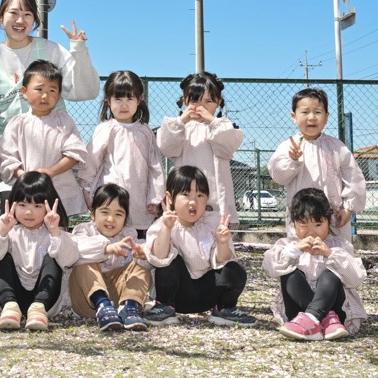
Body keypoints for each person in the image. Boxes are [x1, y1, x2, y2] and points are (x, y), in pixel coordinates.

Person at [0, 0, 99, 135]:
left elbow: (86, 91)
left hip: (52, 138)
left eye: (27, 14)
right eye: (13, 13)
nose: (20, 20)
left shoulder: (52, 50)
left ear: (35, 20)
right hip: (3, 144)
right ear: (0, 18)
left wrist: (79, 51)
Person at [143, 165, 254, 327]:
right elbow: (158, 258)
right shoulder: (163, 224)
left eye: (200, 195)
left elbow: (222, 262)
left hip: (207, 294)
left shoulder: (213, 222)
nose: (193, 202)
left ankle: (224, 308)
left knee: (235, 270)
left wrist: (222, 243)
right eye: (186, 194)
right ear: (170, 197)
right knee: (169, 261)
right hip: (176, 295)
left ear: (207, 198)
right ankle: (164, 306)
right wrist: (166, 228)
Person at [0, 172, 79, 331]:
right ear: (13, 204)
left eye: (37, 206)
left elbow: (70, 260)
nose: (29, 212)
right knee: (2, 256)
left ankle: (38, 309)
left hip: (46, 302)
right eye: (22, 205)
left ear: (49, 206)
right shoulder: (9, 232)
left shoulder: (55, 234)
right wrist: (2, 231)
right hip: (10, 300)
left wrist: (55, 231)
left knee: (53, 257)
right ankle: (10, 308)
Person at [263, 187, 367, 340]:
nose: (311, 232)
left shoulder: (340, 246)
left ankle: (314, 318)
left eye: (318, 224)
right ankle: (320, 319)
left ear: (328, 221)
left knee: (330, 275)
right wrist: (293, 251)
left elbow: (356, 279)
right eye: (303, 225)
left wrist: (330, 254)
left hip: (337, 313)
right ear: (294, 223)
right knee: (289, 274)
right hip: (298, 314)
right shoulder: (286, 245)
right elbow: (269, 267)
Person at [268, 87, 366, 244]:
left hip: (333, 216)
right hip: (302, 216)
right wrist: (292, 160)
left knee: (335, 250)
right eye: (305, 112)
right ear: (294, 117)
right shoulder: (288, 146)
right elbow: (278, 176)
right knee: (302, 250)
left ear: (326, 117)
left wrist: (348, 207)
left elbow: (353, 177)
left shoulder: (337, 147)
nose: (312, 117)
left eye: (318, 112)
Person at [0, 60, 92, 216]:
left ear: (59, 94)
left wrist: (51, 172)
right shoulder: (17, 123)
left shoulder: (64, 121)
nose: (45, 95)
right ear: (24, 91)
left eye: (52, 90)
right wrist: (24, 176)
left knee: (57, 225)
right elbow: (6, 157)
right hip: (25, 191)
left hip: (59, 190)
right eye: (39, 89)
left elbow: (75, 153)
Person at [156, 71, 245, 221]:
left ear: (218, 102)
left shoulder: (222, 126)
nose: (201, 107)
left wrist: (212, 121)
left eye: (208, 101)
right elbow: (166, 145)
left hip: (215, 200)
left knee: (216, 231)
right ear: (184, 101)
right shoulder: (180, 128)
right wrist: (181, 120)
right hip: (185, 196)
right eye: (194, 101)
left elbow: (229, 144)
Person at [85, 70, 164, 234]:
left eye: (130, 99)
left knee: (138, 244)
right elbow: (90, 162)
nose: (124, 105)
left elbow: (155, 167)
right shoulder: (105, 129)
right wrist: (87, 191)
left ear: (139, 99)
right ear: (107, 100)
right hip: (110, 201)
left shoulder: (145, 132)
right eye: (118, 99)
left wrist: (156, 196)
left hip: (140, 202)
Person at [69, 183, 152, 332]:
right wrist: (106, 248)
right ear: (93, 214)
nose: (111, 219)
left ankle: (130, 306)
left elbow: (145, 249)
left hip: (118, 298)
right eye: (105, 212)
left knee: (141, 264)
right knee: (84, 261)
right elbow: (76, 250)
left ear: (125, 218)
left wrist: (142, 252)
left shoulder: (128, 235)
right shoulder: (83, 231)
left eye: (118, 214)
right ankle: (102, 304)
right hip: (88, 301)